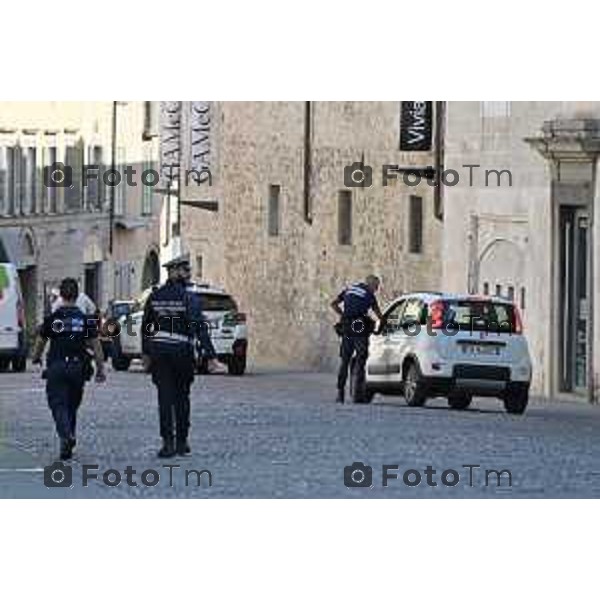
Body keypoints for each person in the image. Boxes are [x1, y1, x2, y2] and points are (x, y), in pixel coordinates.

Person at [31, 278, 106, 460]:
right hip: (77, 368)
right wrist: (100, 369)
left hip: (56, 366)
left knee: (58, 404)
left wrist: (35, 357)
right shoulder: (84, 319)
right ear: (77, 294)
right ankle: (68, 442)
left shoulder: (53, 318)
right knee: (72, 404)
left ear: (62, 295)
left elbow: (40, 342)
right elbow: (96, 347)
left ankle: (66, 435)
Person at [142, 255, 198, 458]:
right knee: (182, 398)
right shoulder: (188, 297)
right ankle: (182, 442)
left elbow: (146, 327)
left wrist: (146, 352)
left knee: (165, 399)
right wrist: (209, 354)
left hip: (160, 353)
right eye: (185, 270)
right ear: (176, 272)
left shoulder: (155, 296)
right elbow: (197, 326)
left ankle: (168, 444)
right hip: (182, 353)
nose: (188, 274)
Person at [330, 275, 383, 404]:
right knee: (360, 360)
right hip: (360, 329)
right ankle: (357, 393)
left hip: (347, 328)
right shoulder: (370, 295)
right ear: (371, 285)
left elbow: (333, 304)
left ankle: (340, 393)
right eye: (376, 287)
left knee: (345, 361)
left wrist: (343, 315)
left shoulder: (349, 289)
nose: (376, 290)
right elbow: (380, 316)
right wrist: (382, 327)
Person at [179, 258, 228, 374]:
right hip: (181, 322)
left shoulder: (190, 290)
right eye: (186, 271)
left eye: (188, 271)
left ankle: (211, 361)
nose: (188, 274)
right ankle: (210, 361)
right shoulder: (180, 290)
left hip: (192, 322)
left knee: (201, 334)